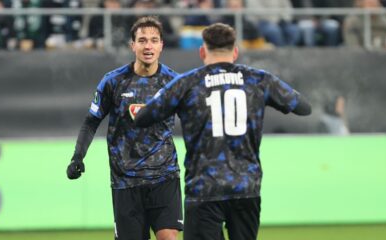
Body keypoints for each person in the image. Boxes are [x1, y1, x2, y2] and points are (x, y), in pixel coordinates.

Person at [135, 23, 312, 240]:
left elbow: (142, 118)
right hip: (246, 188)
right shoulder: (258, 80)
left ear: (202, 51)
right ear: (235, 52)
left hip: (203, 188)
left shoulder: (187, 83)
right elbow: (304, 107)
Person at [66, 16, 183, 240]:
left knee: (168, 237)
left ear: (161, 45)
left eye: (153, 40)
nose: (148, 46)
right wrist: (77, 157)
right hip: (125, 181)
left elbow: (193, 120)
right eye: (142, 40)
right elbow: (91, 121)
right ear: (133, 46)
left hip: (164, 177)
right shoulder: (113, 82)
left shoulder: (175, 83)